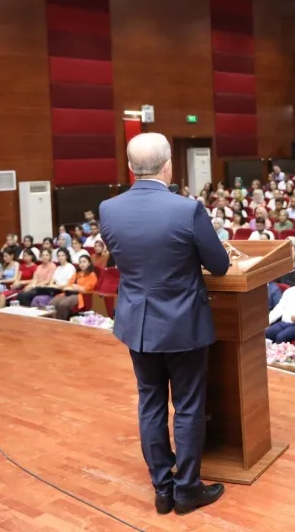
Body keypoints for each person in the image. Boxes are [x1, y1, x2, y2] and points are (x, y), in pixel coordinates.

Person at [98, 133, 231, 515]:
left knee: (150, 402)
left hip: (137, 323)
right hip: (182, 324)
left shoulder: (109, 209)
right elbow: (219, 265)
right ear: (169, 164)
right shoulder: (186, 209)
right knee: (187, 405)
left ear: (130, 168)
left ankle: (162, 487)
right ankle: (187, 490)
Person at [50, 254, 98, 320]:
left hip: (80, 295)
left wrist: (78, 287)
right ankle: (53, 320)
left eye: (84, 262)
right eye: (80, 262)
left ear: (89, 263)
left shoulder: (92, 275)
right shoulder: (77, 273)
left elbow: (87, 289)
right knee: (52, 302)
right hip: (70, 293)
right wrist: (72, 287)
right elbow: (69, 284)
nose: (82, 264)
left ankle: (62, 322)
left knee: (63, 305)